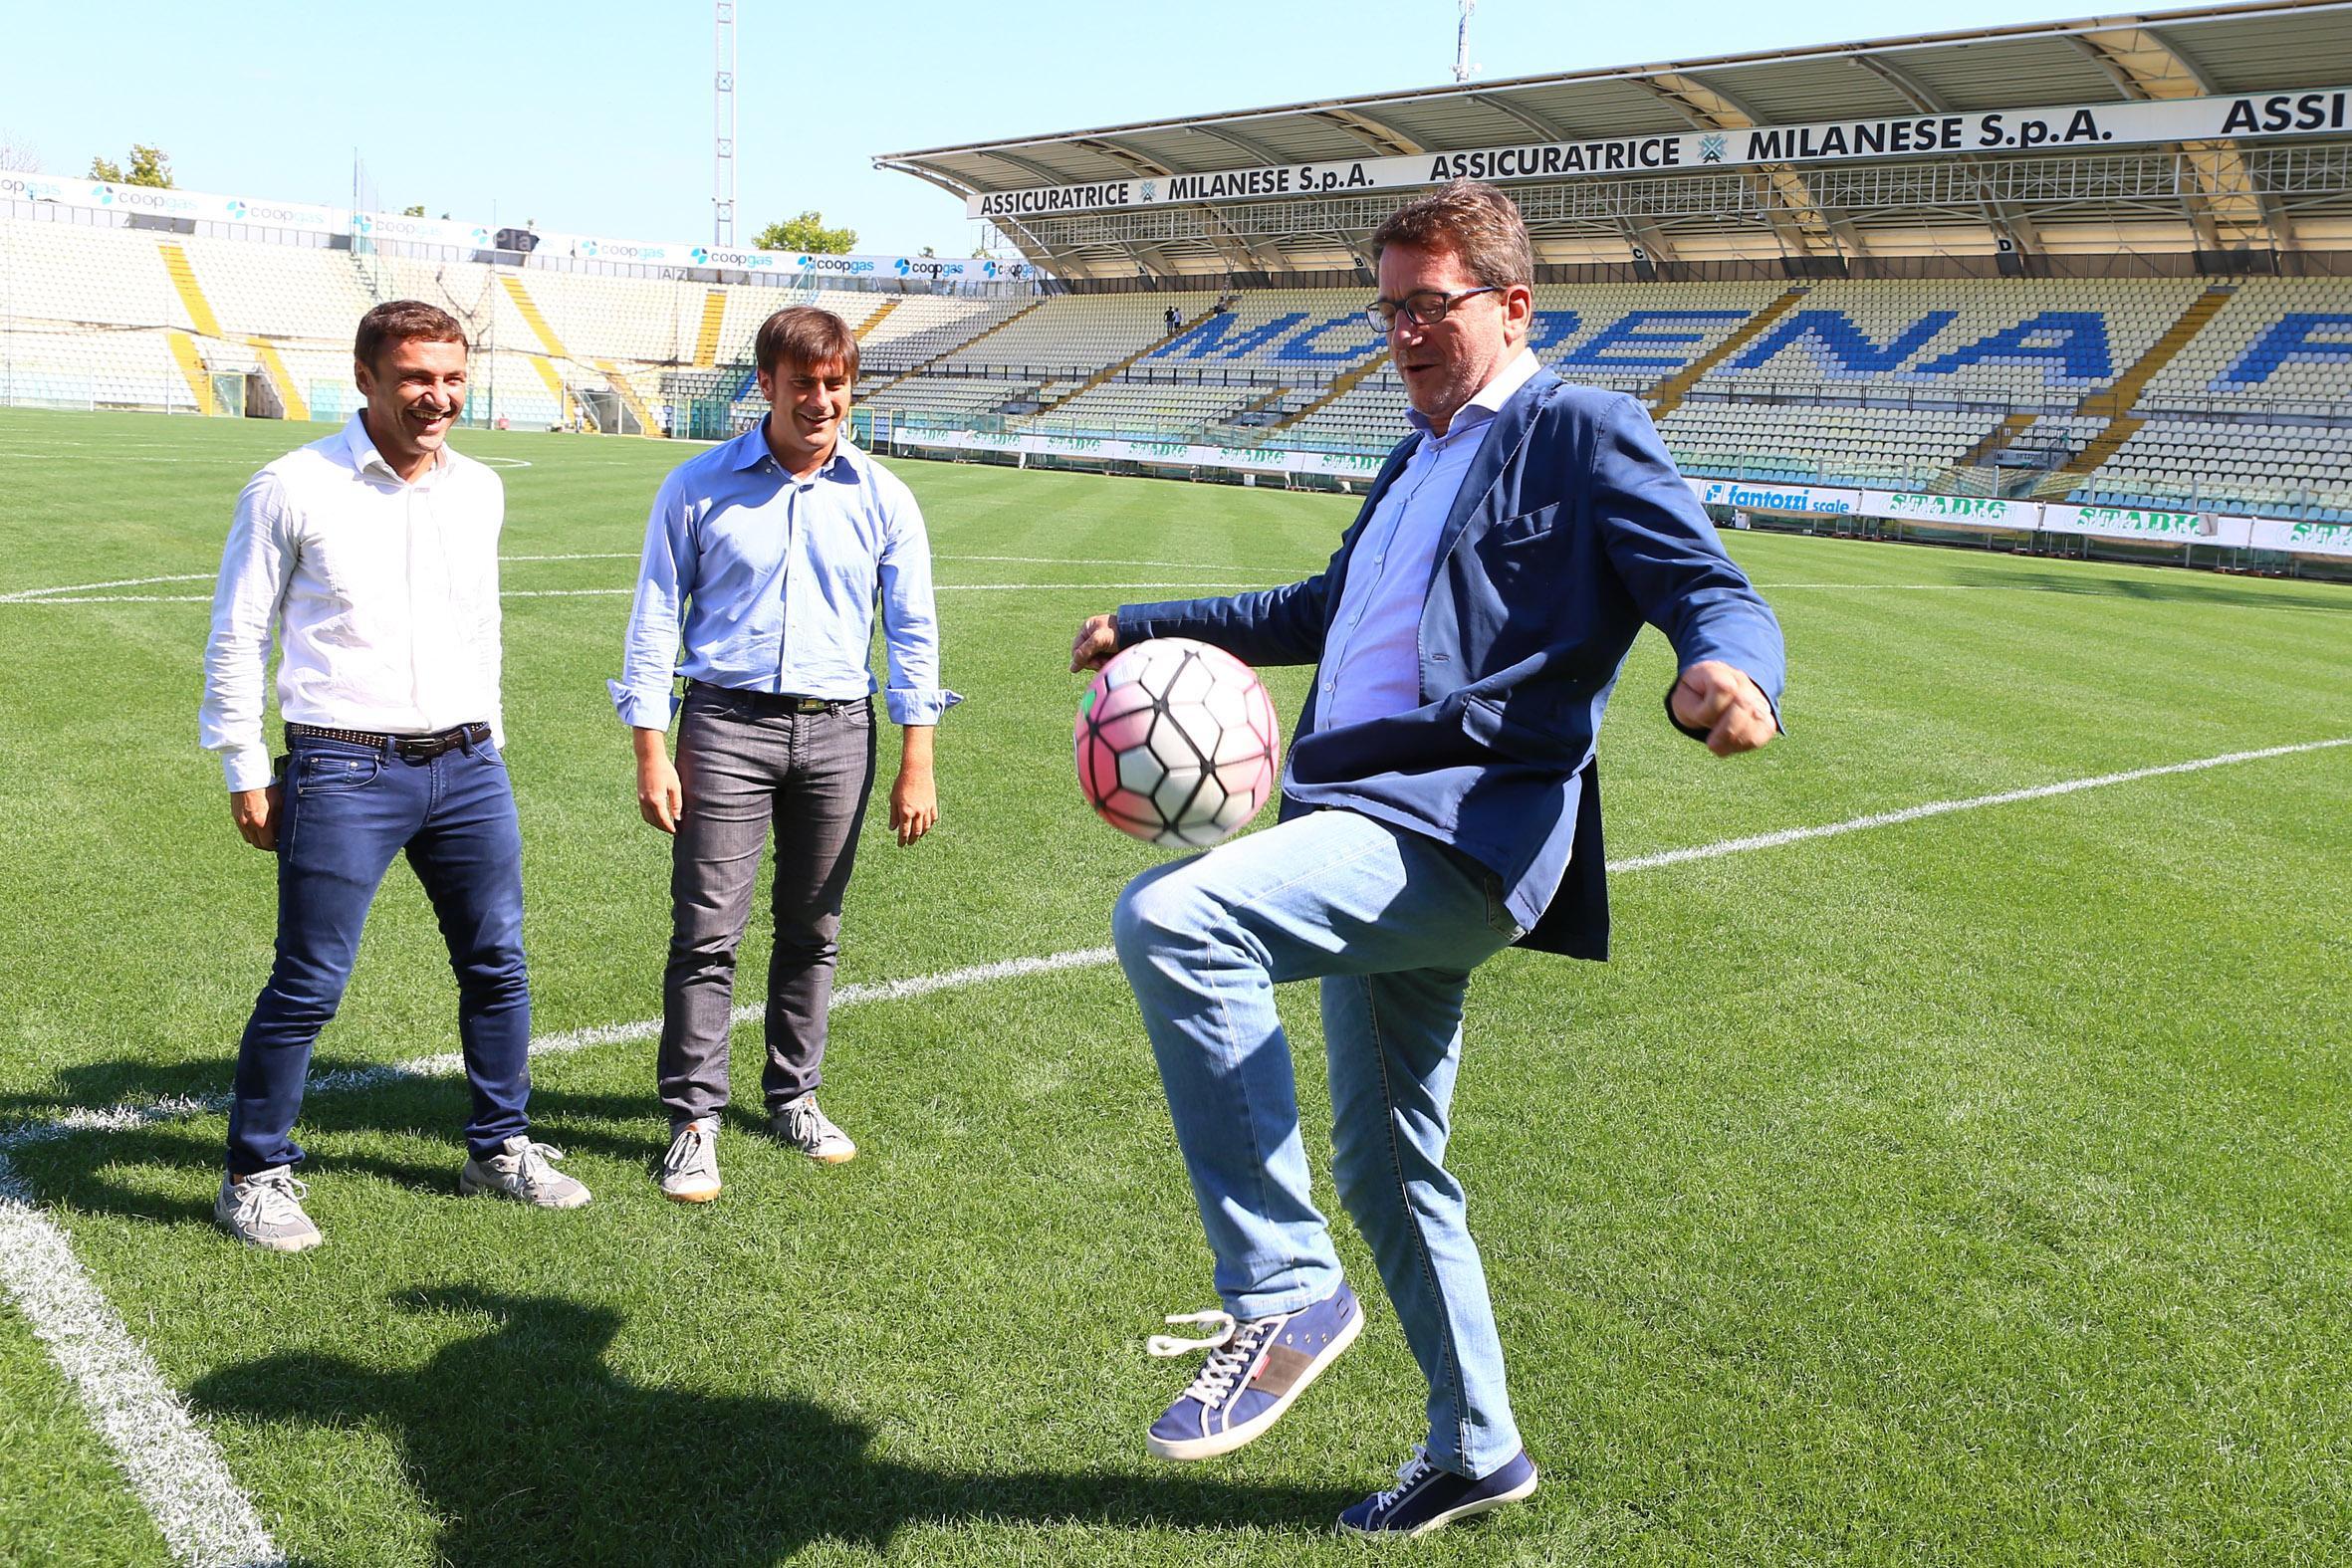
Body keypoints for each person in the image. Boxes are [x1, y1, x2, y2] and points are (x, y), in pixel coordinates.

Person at [1068, 180, 1784, 1540]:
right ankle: (1477, 1445)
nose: (1402, 330)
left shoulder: (1580, 428)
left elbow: (1709, 585)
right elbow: (1323, 609)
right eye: (1387, 306)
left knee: (1175, 919)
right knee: (1391, 1162)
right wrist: (1152, 622)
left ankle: (1281, 1286)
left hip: (1455, 829)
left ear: (1511, 304)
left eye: (1429, 304)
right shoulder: (1414, 451)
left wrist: (1726, 669)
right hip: (1356, 819)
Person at [200, 300, 590, 1253]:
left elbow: (479, 625)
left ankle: (498, 1148)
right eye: (417, 377)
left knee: (497, 963)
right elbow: (238, 632)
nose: (437, 397)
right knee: (310, 979)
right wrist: (246, 763)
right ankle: (254, 1173)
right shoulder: (293, 485)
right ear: (366, 378)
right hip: (343, 762)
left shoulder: (480, 488)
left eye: (453, 377)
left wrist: (489, 736)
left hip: (466, 762)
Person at [612, 306, 956, 1204]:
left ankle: (794, 1094)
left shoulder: (883, 497)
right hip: (724, 726)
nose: (820, 399)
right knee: (707, 932)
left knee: (815, 929)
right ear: (764, 384)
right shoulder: (695, 486)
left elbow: (913, 635)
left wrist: (918, 757)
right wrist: (652, 746)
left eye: (835, 383)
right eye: (802, 382)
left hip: (842, 728)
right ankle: (694, 1120)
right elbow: (654, 620)